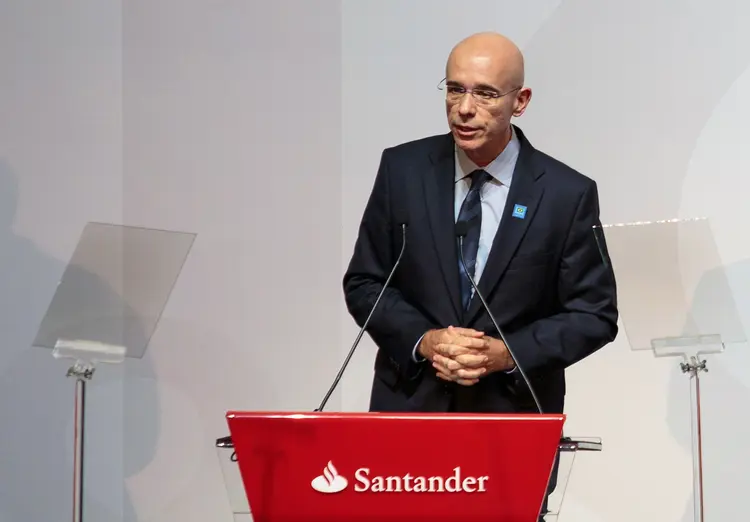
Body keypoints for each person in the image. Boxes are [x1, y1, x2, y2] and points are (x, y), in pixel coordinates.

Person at [343, 31, 618, 418]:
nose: (464, 109)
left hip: (511, 415)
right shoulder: (402, 171)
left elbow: (594, 314)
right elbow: (365, 283)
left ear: (520, 101)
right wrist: (425, 340)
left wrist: (506, 354)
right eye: (455, 90)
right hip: (411, 409)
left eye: (485, 94)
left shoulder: (565, 194)